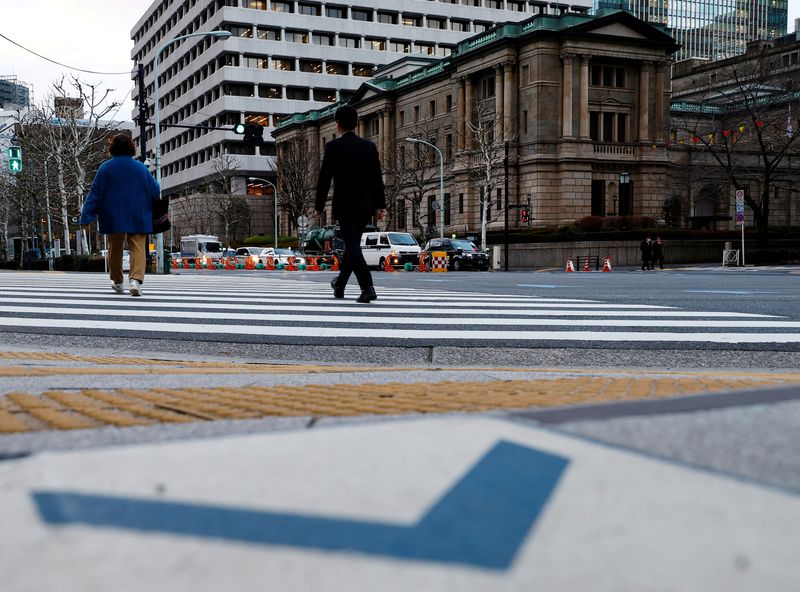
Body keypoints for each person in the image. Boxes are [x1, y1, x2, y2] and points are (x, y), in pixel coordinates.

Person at [314, 105, 386, 303]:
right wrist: (380, 205)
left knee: (352, 246)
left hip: (344, 205)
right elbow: (376, 178)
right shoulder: (369, 146)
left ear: (338, 124)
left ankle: (367, 287)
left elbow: (324, 178)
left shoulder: (334, 147)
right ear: (356, 123)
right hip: (365, 206)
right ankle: (340, 284)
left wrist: (319, 206)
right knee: (352, 246)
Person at [80, 133, 161, 297]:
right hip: (138, 213)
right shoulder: (140, 168)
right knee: (138, 247)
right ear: (131, 148)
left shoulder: (105, 168)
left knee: (114, 248)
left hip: (113, 214)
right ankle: (135, 280)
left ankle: (117, 281)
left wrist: (86, 217)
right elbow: (155, 190)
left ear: (113, 149)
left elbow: (95, 195)